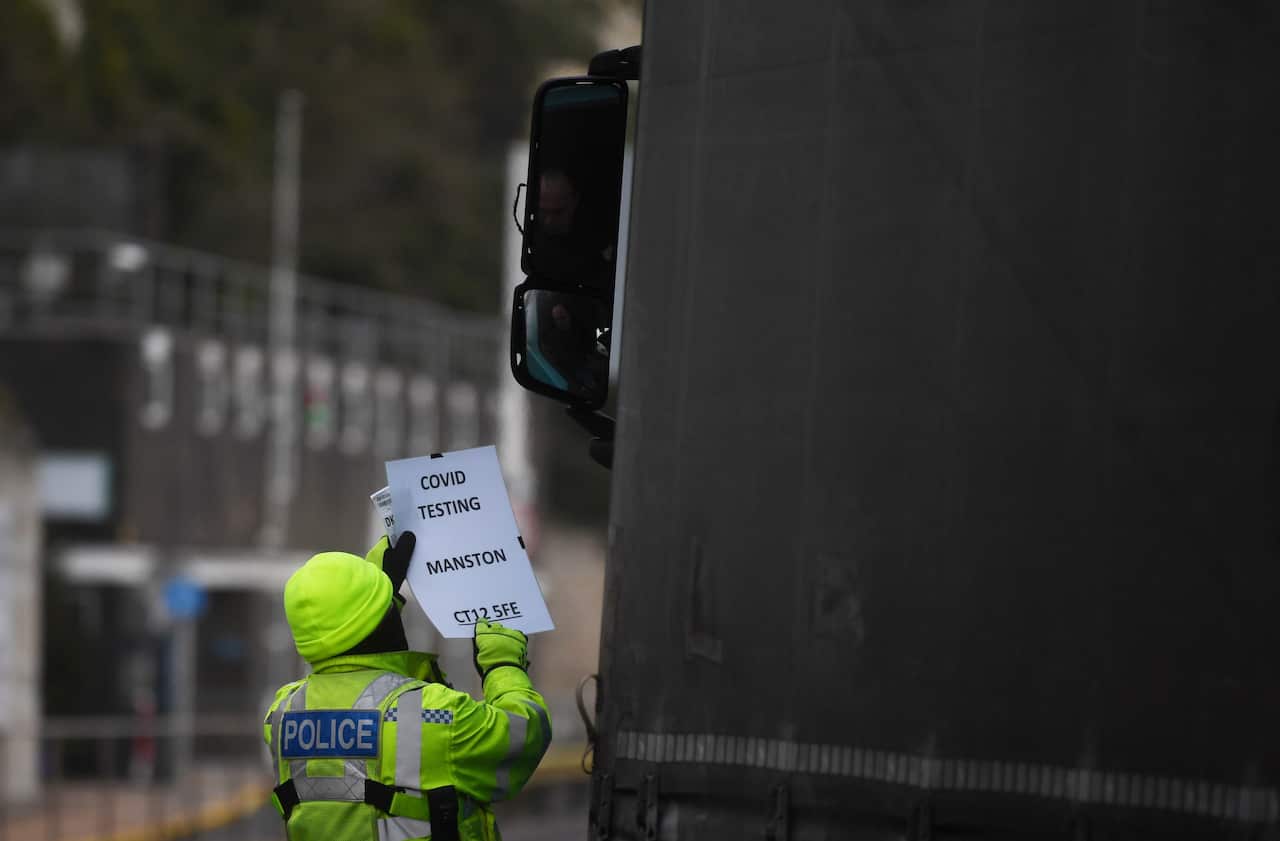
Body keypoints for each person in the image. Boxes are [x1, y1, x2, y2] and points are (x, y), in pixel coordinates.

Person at [262, 531, 551, 840]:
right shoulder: (436, 715)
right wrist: (502, 664)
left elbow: (376, 697)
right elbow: (525, 735)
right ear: (384, 621)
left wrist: (378, 598)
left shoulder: (283, 714)